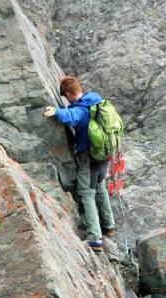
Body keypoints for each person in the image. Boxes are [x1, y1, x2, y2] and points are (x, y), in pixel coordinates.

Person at [43, 75, 115, 252]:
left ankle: (95, 238)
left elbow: (71, 116)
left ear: (68, 93)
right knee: (100, 187)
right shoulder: (96, 101)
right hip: (105, 154)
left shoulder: (82, 110)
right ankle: (109, 226)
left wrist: (56, 112)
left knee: (87, 193)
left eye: (65, 96)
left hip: (89, 158)